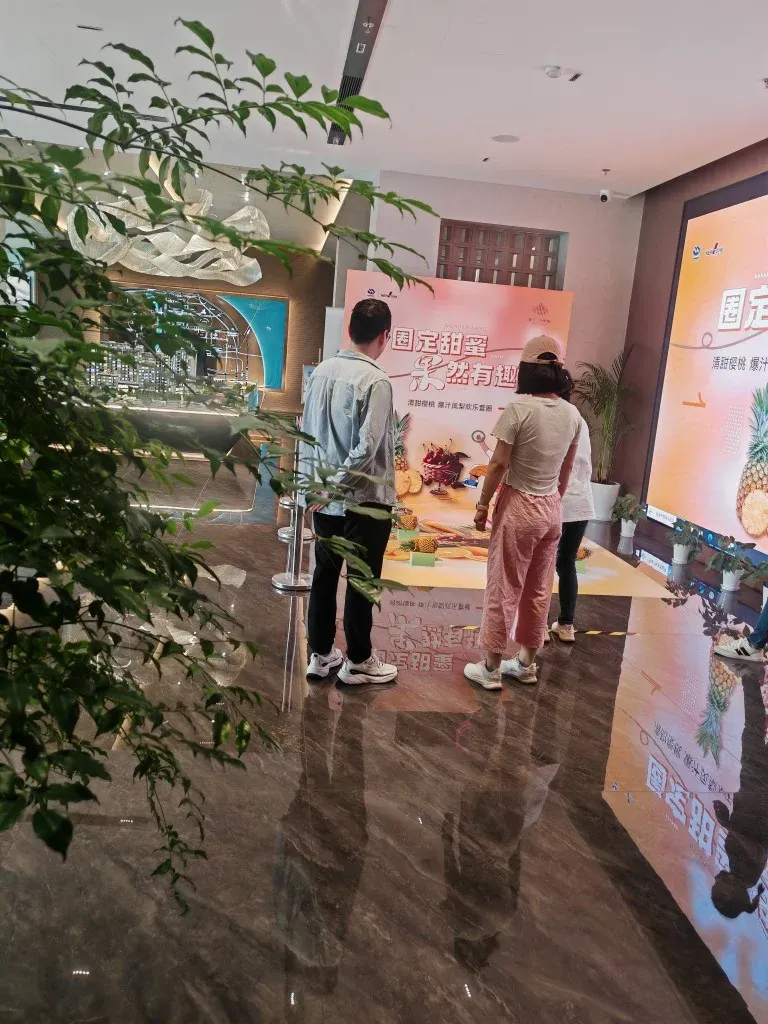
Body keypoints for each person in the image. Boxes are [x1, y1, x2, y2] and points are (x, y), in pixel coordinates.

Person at [464, 337, 580, 691]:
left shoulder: (518, 411)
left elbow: (498, 464)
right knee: (539, 588)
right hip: (551, 508)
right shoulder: (572, 414)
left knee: (504, 585)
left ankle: (491, 668)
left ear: (526, 370)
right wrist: (554, 499)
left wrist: (483, 505)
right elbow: (567, 468)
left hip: (518, 507)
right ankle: (527, 664)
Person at [300, 298, 398, 686]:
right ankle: (358, 660)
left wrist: (317, 487)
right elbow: (368, 447)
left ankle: (320, 654)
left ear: (351, 330)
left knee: (324, 576)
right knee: (361, 580)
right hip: (364, 501)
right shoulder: (376, 381)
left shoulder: (321, 372)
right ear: (385, 335)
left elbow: (308, 434)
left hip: (324, 498)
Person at [546, 370, 594, 643]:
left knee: (540, 564)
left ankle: (537, 626)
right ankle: (566, 625)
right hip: (581, 502)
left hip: (551, 499)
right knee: (566, 563)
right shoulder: (579, 419)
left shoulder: (552, 416)